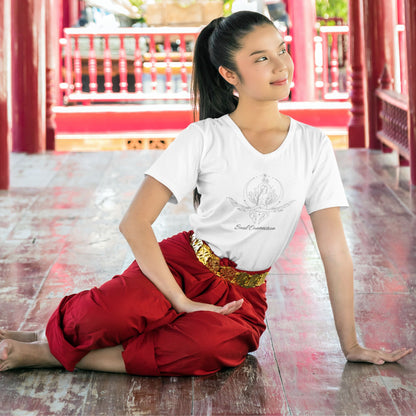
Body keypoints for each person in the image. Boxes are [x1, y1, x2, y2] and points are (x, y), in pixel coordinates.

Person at [0, 11, 412, 375]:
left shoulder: (313, 145)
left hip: (244, 294)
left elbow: (335, 250)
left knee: (205, 348)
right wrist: (179, 300)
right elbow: (134, 222)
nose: (281, 64)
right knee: (107, 315)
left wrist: (351, 344)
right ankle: (47, 334)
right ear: (230, 75)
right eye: (261, 58)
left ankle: (44, 353)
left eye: (281, 49)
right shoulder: (204, 138)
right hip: (183, 265)